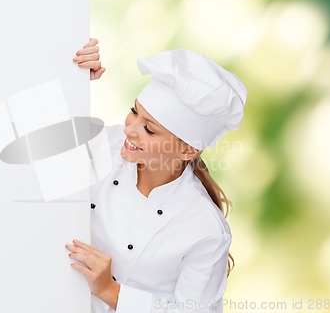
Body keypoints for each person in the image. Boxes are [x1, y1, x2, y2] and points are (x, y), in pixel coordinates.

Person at [66, 38, 247, 313]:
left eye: (149, 129)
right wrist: (74, 80)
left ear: (187, 149)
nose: (130, 130)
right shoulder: (104, 145)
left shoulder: (205, 229)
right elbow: (38, 152)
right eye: (134, 112)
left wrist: (110, 290)